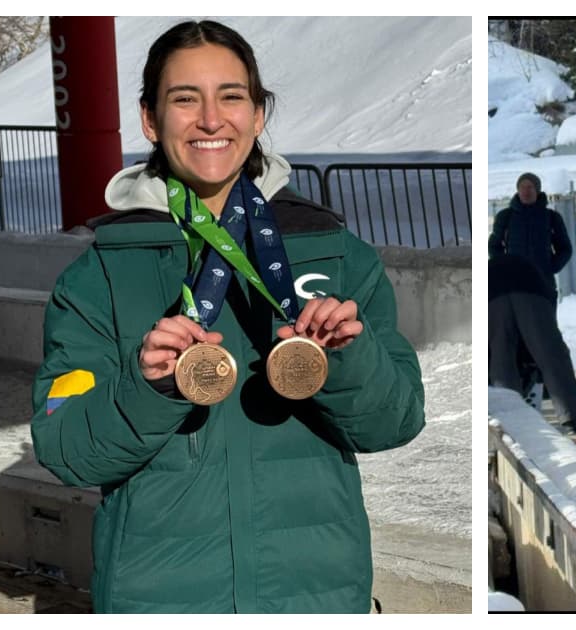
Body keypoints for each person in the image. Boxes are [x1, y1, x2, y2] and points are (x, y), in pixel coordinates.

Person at [30, 20, 425, 613]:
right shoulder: (101, 276)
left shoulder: (332, 252)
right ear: (149, 119)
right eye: (184, 99)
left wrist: (345, 360)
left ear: (258, 114)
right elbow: (64, 447)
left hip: (315, 595)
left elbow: (395, 421)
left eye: (231, 97)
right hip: (159, 599)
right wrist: (148, 387)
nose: (211, 119)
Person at [489, 254, 576, 434]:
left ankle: (511, 422)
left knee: (500, 358)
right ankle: (572, 419)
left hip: (494, 292)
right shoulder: (532, 269)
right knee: (551, 355)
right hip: (530, 288)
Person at [488, 172, 573, 297]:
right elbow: (494, 246)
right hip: (514, 285)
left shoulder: (551, 217)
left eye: (530, 187)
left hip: (543, 283)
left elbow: (565, 248)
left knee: (544, 317)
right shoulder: (505, 216)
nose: (526, 191)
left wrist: (550, 267)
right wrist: (505, 267)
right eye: (522, 187)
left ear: (537, 190)